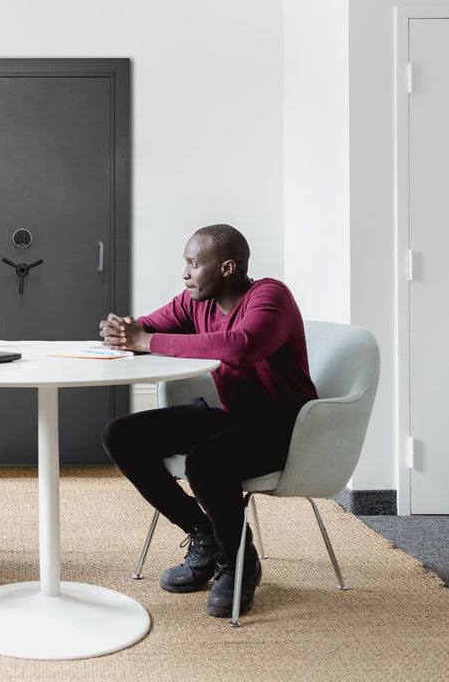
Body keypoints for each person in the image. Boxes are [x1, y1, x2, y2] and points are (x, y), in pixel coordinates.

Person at [99, 224, 316, 618]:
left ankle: (240, 562)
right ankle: (206, 536)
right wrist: (122, 332)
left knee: (205, 461)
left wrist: (145, 341)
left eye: (194, 264)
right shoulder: (195, 302)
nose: (185, 274)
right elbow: (146, 328)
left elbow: (240, 347)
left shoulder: (270, 296)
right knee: (122, 435)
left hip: (285, 429)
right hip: (235, 419)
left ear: (228, 267)